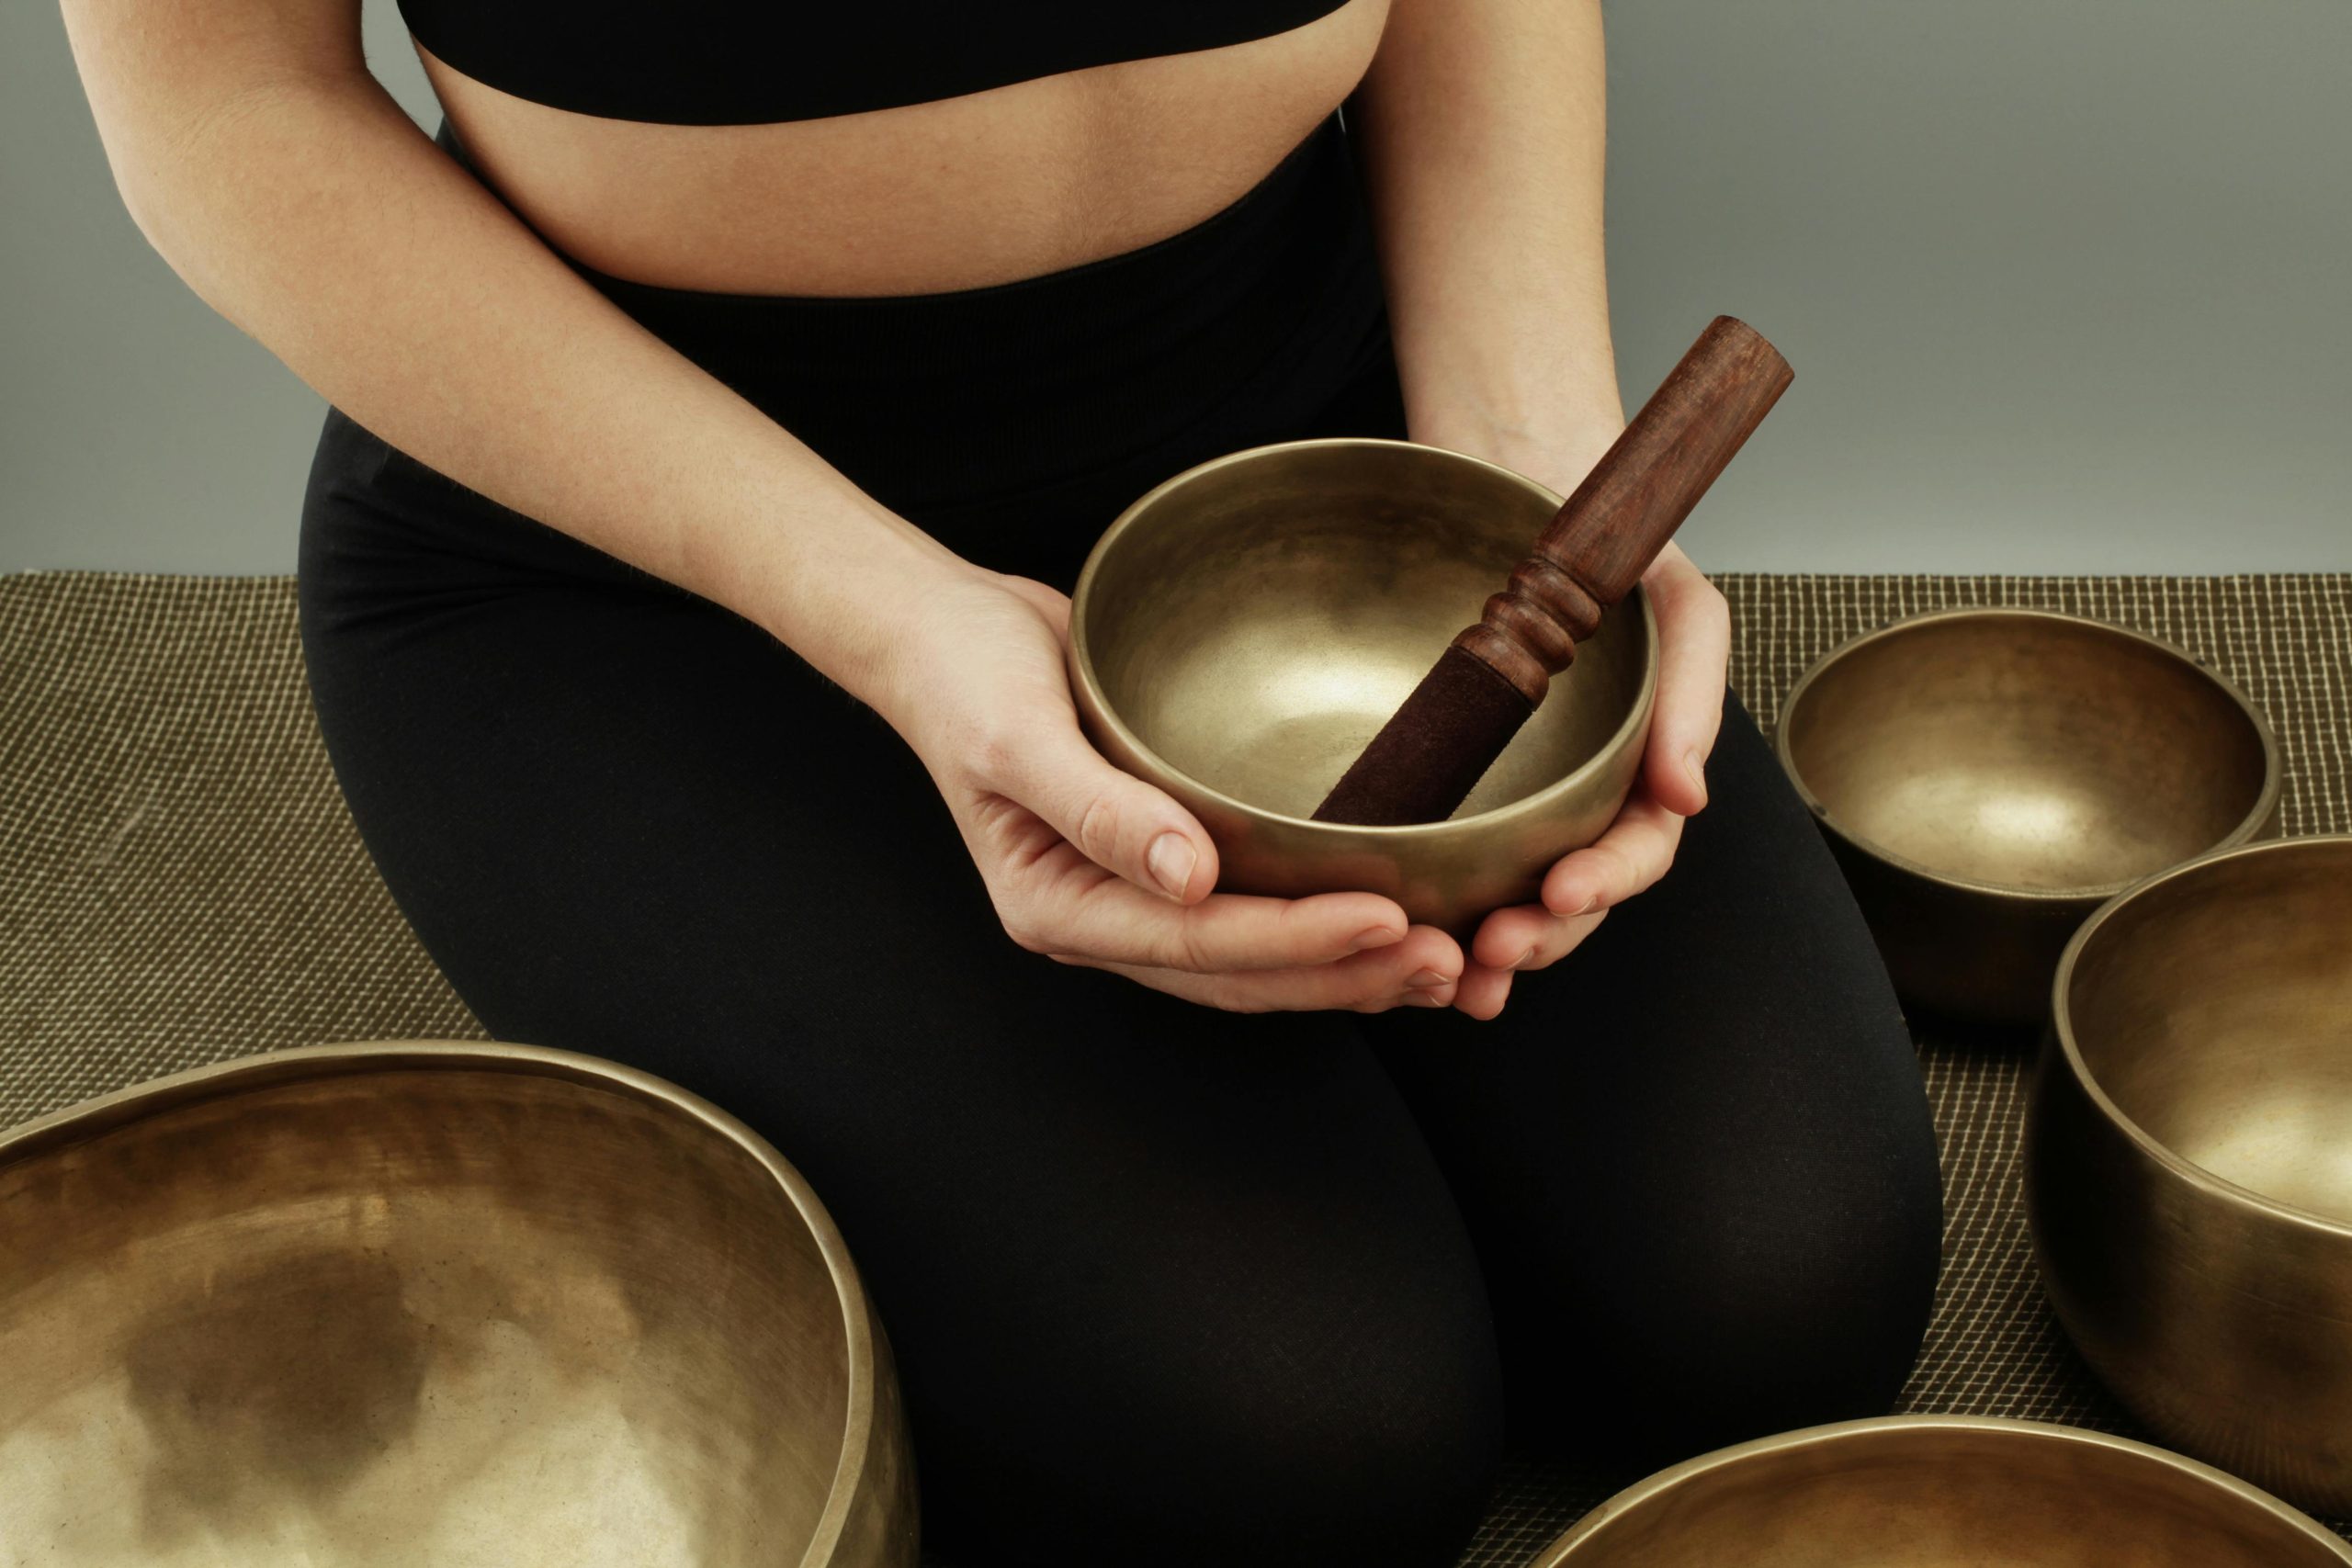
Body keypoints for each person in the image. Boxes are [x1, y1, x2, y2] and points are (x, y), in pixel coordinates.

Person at [62, 0, 1942, 1562]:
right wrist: (894, 623)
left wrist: (1527, 476)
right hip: (650, 545)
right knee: (1299, 1443)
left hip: (1311, 419)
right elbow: (235, 104)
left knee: (1770, 1291)